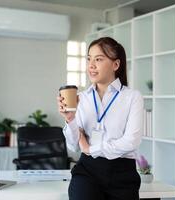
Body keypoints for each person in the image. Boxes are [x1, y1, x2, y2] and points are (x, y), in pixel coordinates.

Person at [57, 37, 144, 200]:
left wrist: (91, 149)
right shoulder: (81, 98)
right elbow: (74, 146)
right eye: (89, 59)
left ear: (116, 65)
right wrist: (70, 120)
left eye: (98, 59)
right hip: (87, 171)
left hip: (122, 173)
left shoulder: (132, 97)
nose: (91, 65)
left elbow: (131, 141)